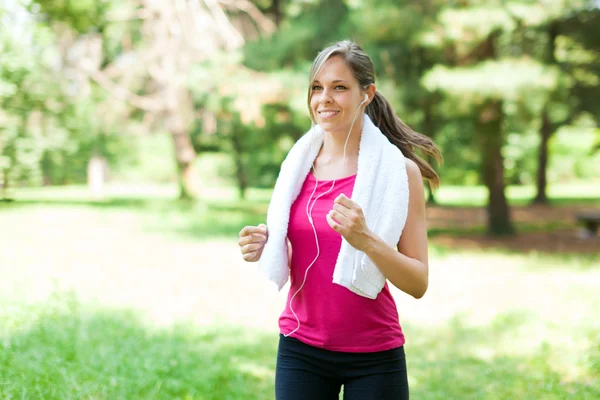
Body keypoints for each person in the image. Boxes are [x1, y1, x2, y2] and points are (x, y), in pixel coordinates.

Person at [238, 40, 441, 400]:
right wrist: (266, 244)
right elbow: (304, 247)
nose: (324, 98)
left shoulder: (398, 173)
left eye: (339, 87)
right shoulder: (297, 168)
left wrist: (367, 240)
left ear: (367, 94)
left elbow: (418, 282)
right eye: (317, 87)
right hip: (301, 348)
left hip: (375, 356)